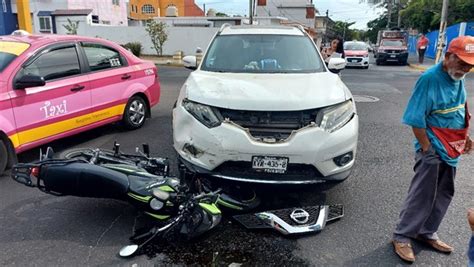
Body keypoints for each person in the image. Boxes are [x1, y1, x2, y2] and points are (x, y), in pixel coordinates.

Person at [392, 35, 474, 263]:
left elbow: (458, 107)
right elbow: (415, 119)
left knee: (444, 192)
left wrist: (465, 136)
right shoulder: (430, 79)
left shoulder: (458, 76)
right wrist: (427, 150)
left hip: (452, 146)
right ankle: (402, 236)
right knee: (422, 194)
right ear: (448, 57)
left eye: (470, 64)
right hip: (433, 147)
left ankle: (426, 232)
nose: (466, 68)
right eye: (462, 62)